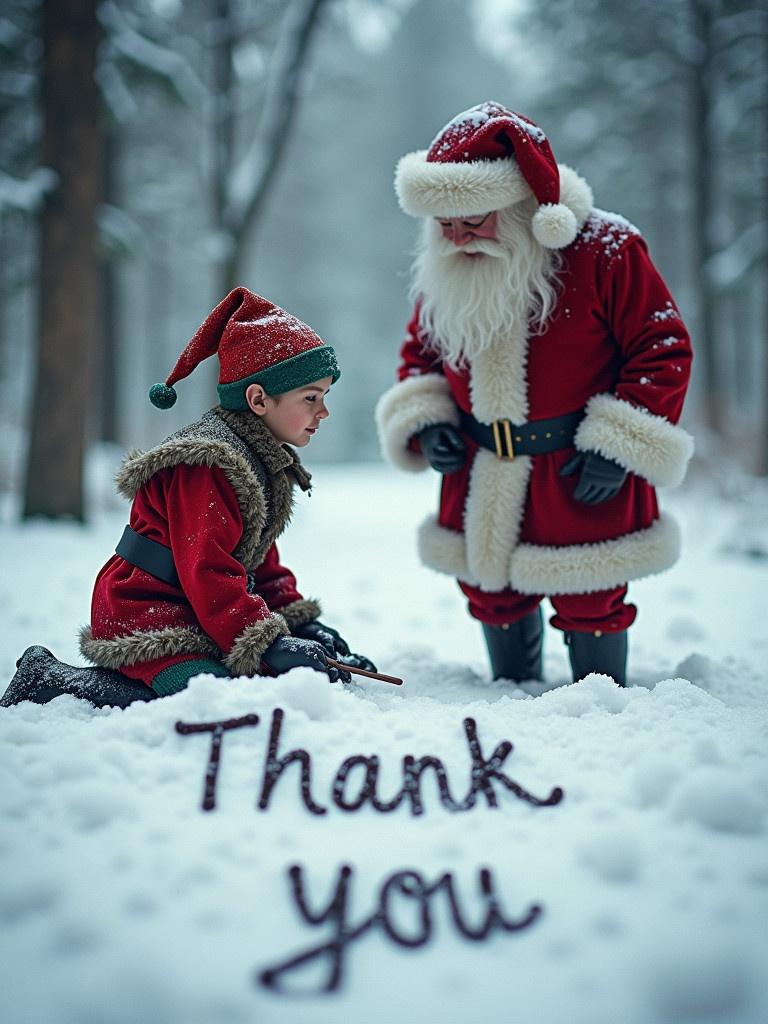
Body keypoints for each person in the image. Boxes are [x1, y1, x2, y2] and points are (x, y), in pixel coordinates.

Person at [375, 101, 693, 687]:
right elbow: (421, 351)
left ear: (522, 206)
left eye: (473, 219)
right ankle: (511, 708)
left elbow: (663, 347)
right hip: (478, 466)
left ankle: (602, 715)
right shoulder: (449, 259)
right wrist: (427, 421)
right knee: (491, 592)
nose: (457, 236)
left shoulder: (607, 249)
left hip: (577, 465)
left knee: (590, 592)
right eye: (444, 222)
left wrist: (617, 445)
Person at [3, 287, 374, 708]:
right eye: (311, 398)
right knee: (211, 694)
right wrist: (270, 645)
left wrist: (300, 626)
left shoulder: (261, 459)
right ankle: (49, 679)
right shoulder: (209, 465)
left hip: (197, 606)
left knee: (269, 678)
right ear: (258, 399)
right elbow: (209, 570)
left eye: (324, 398)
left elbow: (258, 563)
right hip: (145, 607)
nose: (323, 412)